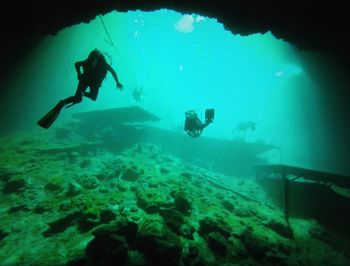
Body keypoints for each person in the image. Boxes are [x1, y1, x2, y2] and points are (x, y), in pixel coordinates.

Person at [37, 49, 123, 129]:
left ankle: (64, 102)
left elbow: (77, 64)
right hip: (91, 81)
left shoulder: (93, 63)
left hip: (86, 80)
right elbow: (112, 72)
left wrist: (79, 74)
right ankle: (80, 95)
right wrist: (117, 82)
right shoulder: (102, 64)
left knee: (79, 98)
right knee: (89, 98)